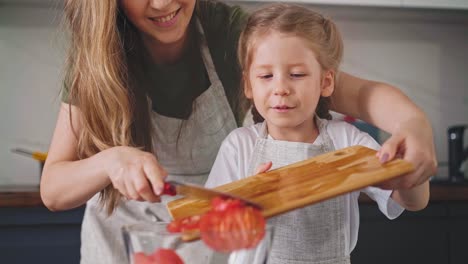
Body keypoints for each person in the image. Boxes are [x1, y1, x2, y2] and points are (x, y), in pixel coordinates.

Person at [39, 0, 435, 263]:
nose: (162, 3)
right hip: (126, 242)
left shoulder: (231, 31)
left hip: (211, 238)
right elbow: (54, 189)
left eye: (295, 75)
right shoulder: (97, 53)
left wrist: (414, 126)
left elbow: (364, 94)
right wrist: (112, 160)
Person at [205, 3, 430, 264]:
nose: (280, 88)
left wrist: (409, 170)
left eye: (297, 74)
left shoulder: (347, 141)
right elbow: (211, 232)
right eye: (266, 75)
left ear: (326, 82)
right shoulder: (239, 146)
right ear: (247, 85)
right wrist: (244, 205)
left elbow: (415, 201)